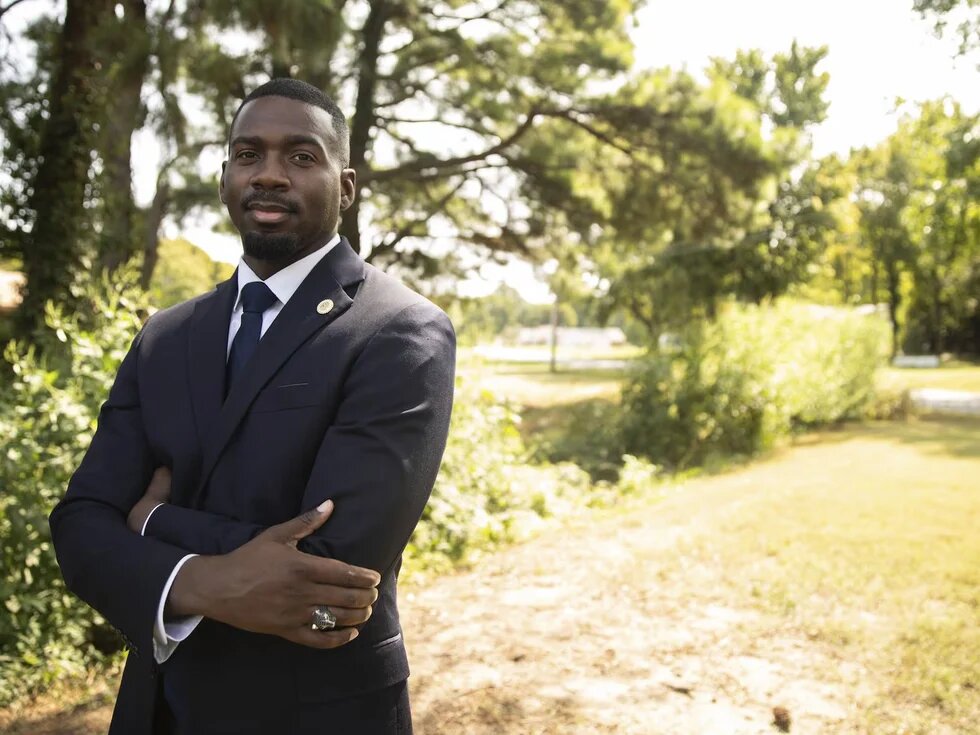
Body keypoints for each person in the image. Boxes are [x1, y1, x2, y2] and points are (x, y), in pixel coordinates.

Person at [49, 78, 456, 734]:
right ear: (224, 179)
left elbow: (331, 565)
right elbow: (80, 524)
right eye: (247, 154)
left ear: (345, 187)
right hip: (158, 708)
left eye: (301, 156)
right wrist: (202, 582)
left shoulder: (400, 330)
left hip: (317, 712)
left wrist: (151, 520)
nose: (268, 174)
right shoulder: (165, 336)